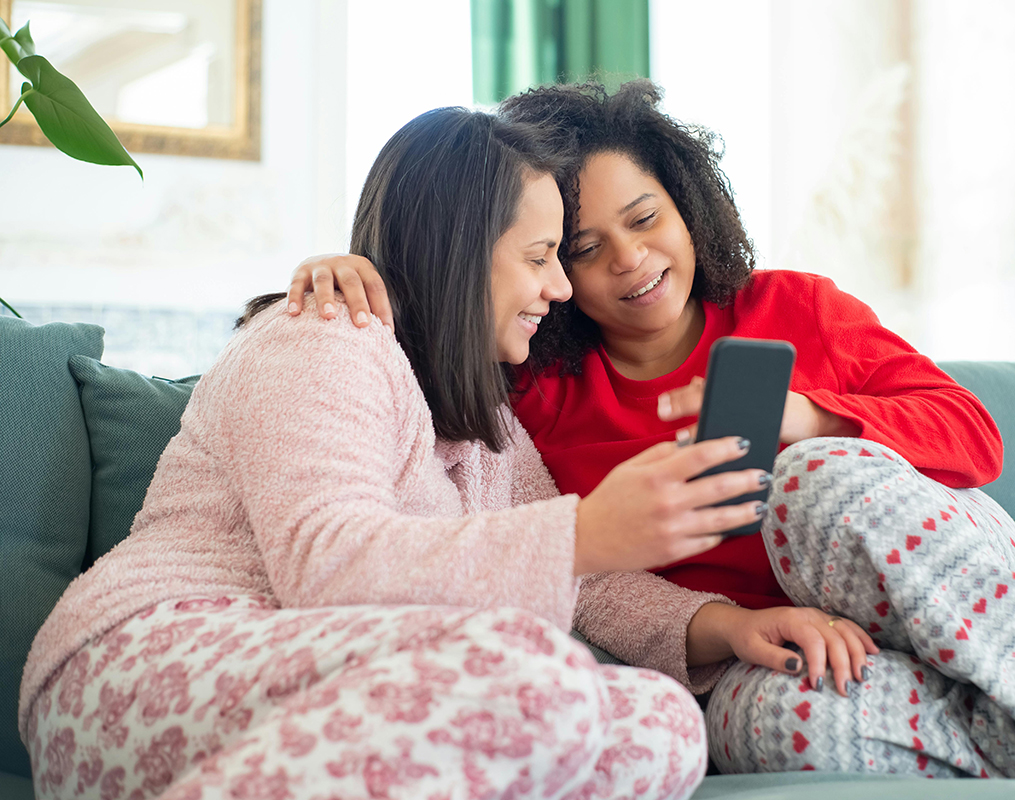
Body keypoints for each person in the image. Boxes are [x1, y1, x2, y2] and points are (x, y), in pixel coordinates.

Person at [287, 82, 1015, 786]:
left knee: (812, 481)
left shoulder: (793, 308)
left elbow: (972, 437)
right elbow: (438, 300)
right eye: (580, 249)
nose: (630, 262)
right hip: (788, 647)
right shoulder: (533, 391)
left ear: (686, 204)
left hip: (937, 570)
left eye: (644, 221)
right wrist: (353, 266)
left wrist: (816, 419)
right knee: (760, 724)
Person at [17, 107, 782, 800]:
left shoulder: (488, 423)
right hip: (143, 666)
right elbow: (323, 561)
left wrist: (727, 625)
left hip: (320, 689)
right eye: (541, 254)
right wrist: (584, 531)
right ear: (462, 249)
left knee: (658, 722)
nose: (558, 286)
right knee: (529, 671)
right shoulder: (321, 339)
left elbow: (588, 588)